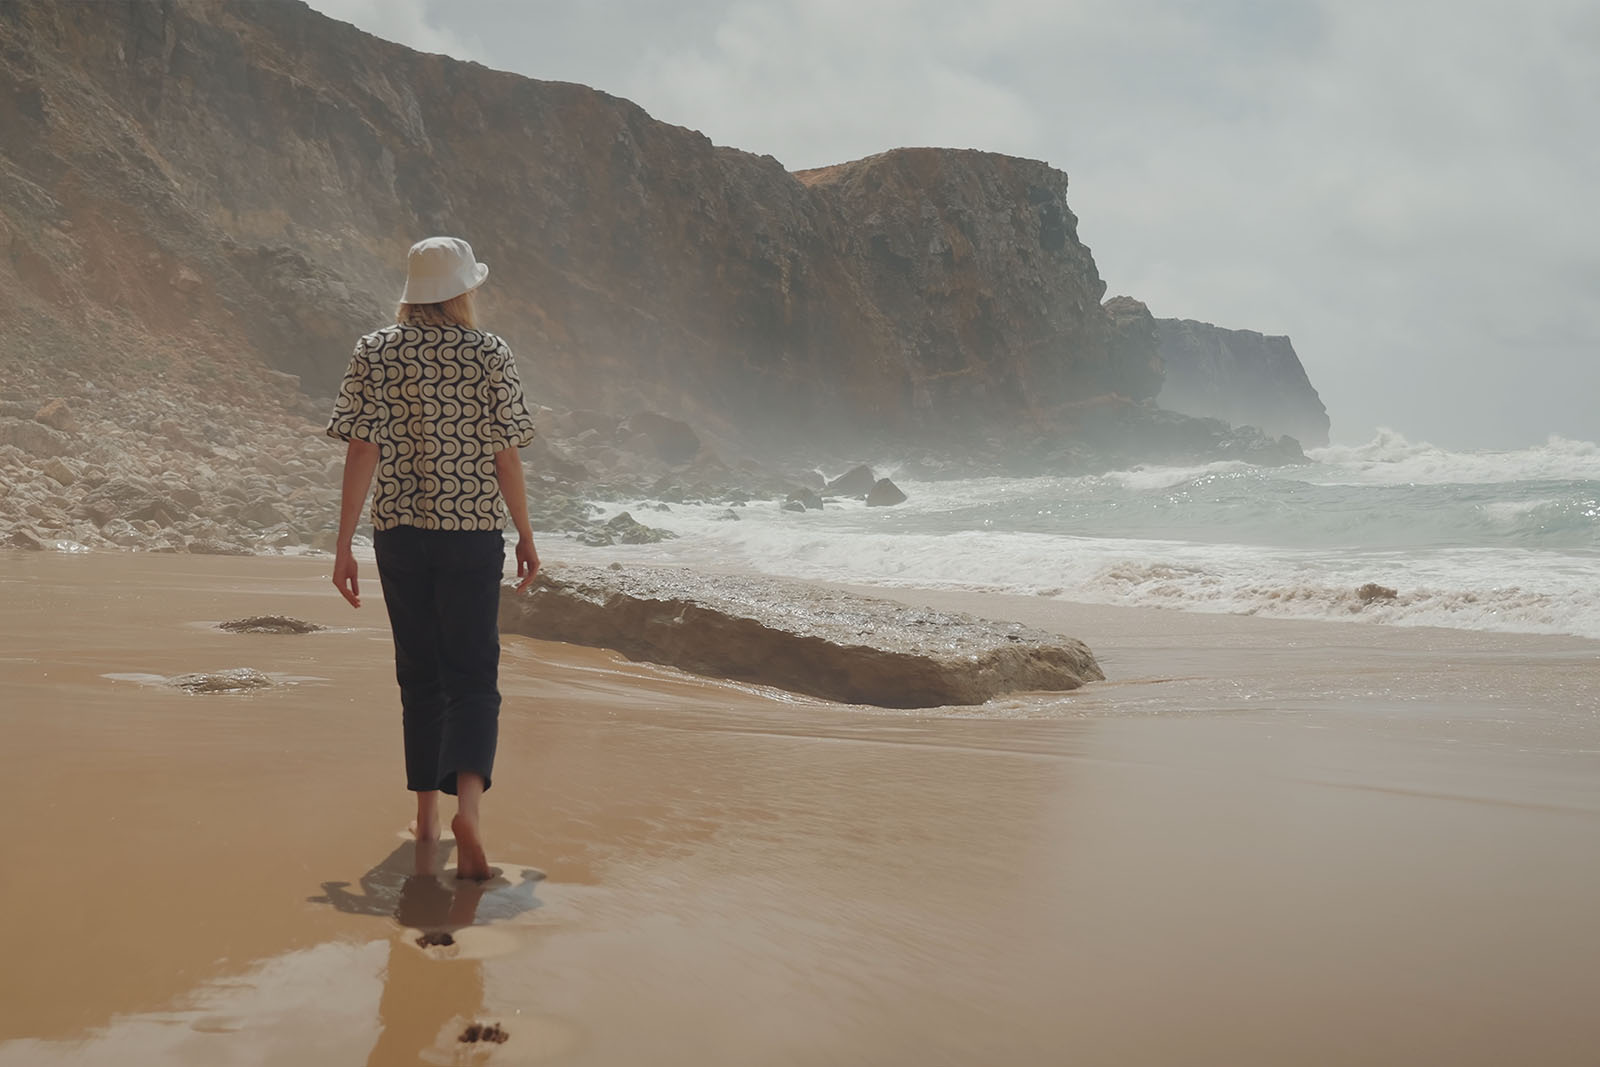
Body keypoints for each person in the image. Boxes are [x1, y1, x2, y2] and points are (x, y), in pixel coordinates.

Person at [326, 236, 540, 880]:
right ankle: (467, 809)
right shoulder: (488, 352)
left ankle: (423, 819)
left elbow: (361, 449)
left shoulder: (374, 350)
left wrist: (343, 543)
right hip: (472, 531)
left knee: (418, 674)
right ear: (462, 291)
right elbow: (507, 454)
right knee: (473, 675)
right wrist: (526, 534)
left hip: (399, 533)